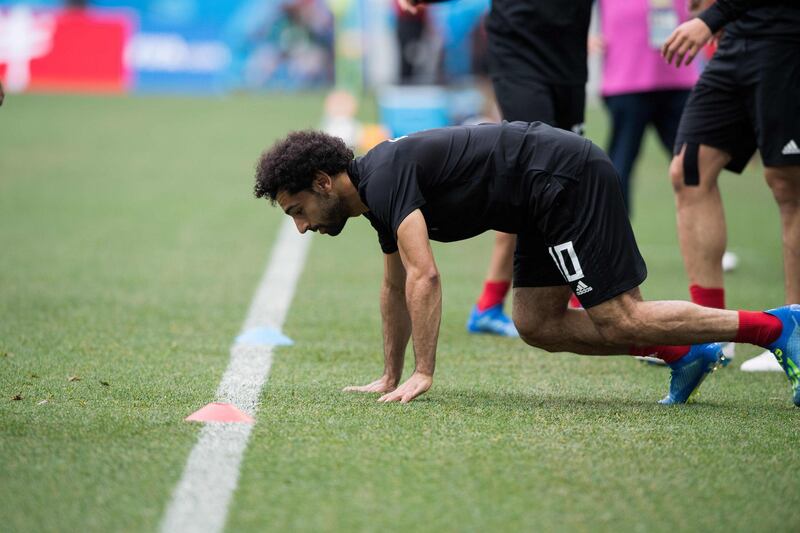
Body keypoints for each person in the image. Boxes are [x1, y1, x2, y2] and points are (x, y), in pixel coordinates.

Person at [253, 122, 800, 406]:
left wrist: (424, 373)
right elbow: (394, 287)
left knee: (620, 316)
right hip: (536, 200)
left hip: (564, 179)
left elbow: (426, 275)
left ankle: (778, 325)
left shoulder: (386, 176)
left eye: (298, 210)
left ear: (324, 183)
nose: (302, 226)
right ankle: (687, 353)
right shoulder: (375, 193)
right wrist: (390, 373)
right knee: (536, 323)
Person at [399, 0, 594, 337]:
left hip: (569, 60)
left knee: (562, 177)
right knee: (540, 174)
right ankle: (577, 290)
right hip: (518, 56)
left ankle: (491, 305)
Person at [662, 0, 800, 371]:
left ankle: (796, 333)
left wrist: (711, 17)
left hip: (787, 39)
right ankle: (711, 333)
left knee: (789, 183)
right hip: (735, 39)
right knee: (688, 171)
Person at [595, 0, 699, 215]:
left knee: (695, 168)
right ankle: (613, 244)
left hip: (679, 78)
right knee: (618, 168)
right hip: (626, 78)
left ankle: (706, 242)